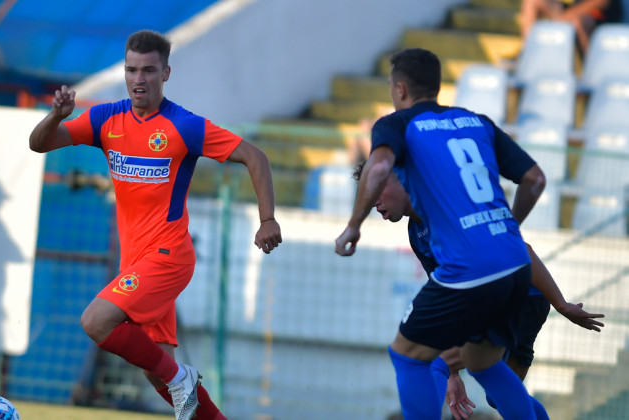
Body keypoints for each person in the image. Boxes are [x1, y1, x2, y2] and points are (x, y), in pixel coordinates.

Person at [29, 29, 282, 420]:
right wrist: (56, 116)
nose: (138, 79)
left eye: (148, 70)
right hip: (135, 262)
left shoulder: (184, 126)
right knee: (155, 371)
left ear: (166, 73)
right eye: (132, 70)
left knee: (96, 321)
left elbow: (255, 156)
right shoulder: (105, 119)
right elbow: (39, 143)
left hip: (168, 258)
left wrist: (267, 218)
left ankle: (181, 378)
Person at [335, 48, 547, 419]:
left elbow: (380, 163)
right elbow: (535, 179)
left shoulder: (397, 124)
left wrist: (354, 224)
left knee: (407, 354)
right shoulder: (476, 121)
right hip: (515, 264)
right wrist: (505, 230)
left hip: (474, 266)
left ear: (400, 89)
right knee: (480, 361)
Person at [353, 164, 605, 419]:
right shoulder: (417, 232)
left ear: (401, 180)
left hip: (515, 295)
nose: (373, 204)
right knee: (497, 394)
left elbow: (520, 249)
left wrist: (562, 305)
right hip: (513, 299)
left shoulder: (448, 211)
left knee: (430, 360)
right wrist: (453, 374)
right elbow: (446, 295)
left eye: (376, 192)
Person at [520, 0, 624, 55]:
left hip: (600, 17)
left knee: (578, 21)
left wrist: (566, 16)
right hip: (573, 11)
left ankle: (591, 70)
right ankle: (528, 55)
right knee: (532, 0)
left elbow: (602, 2)